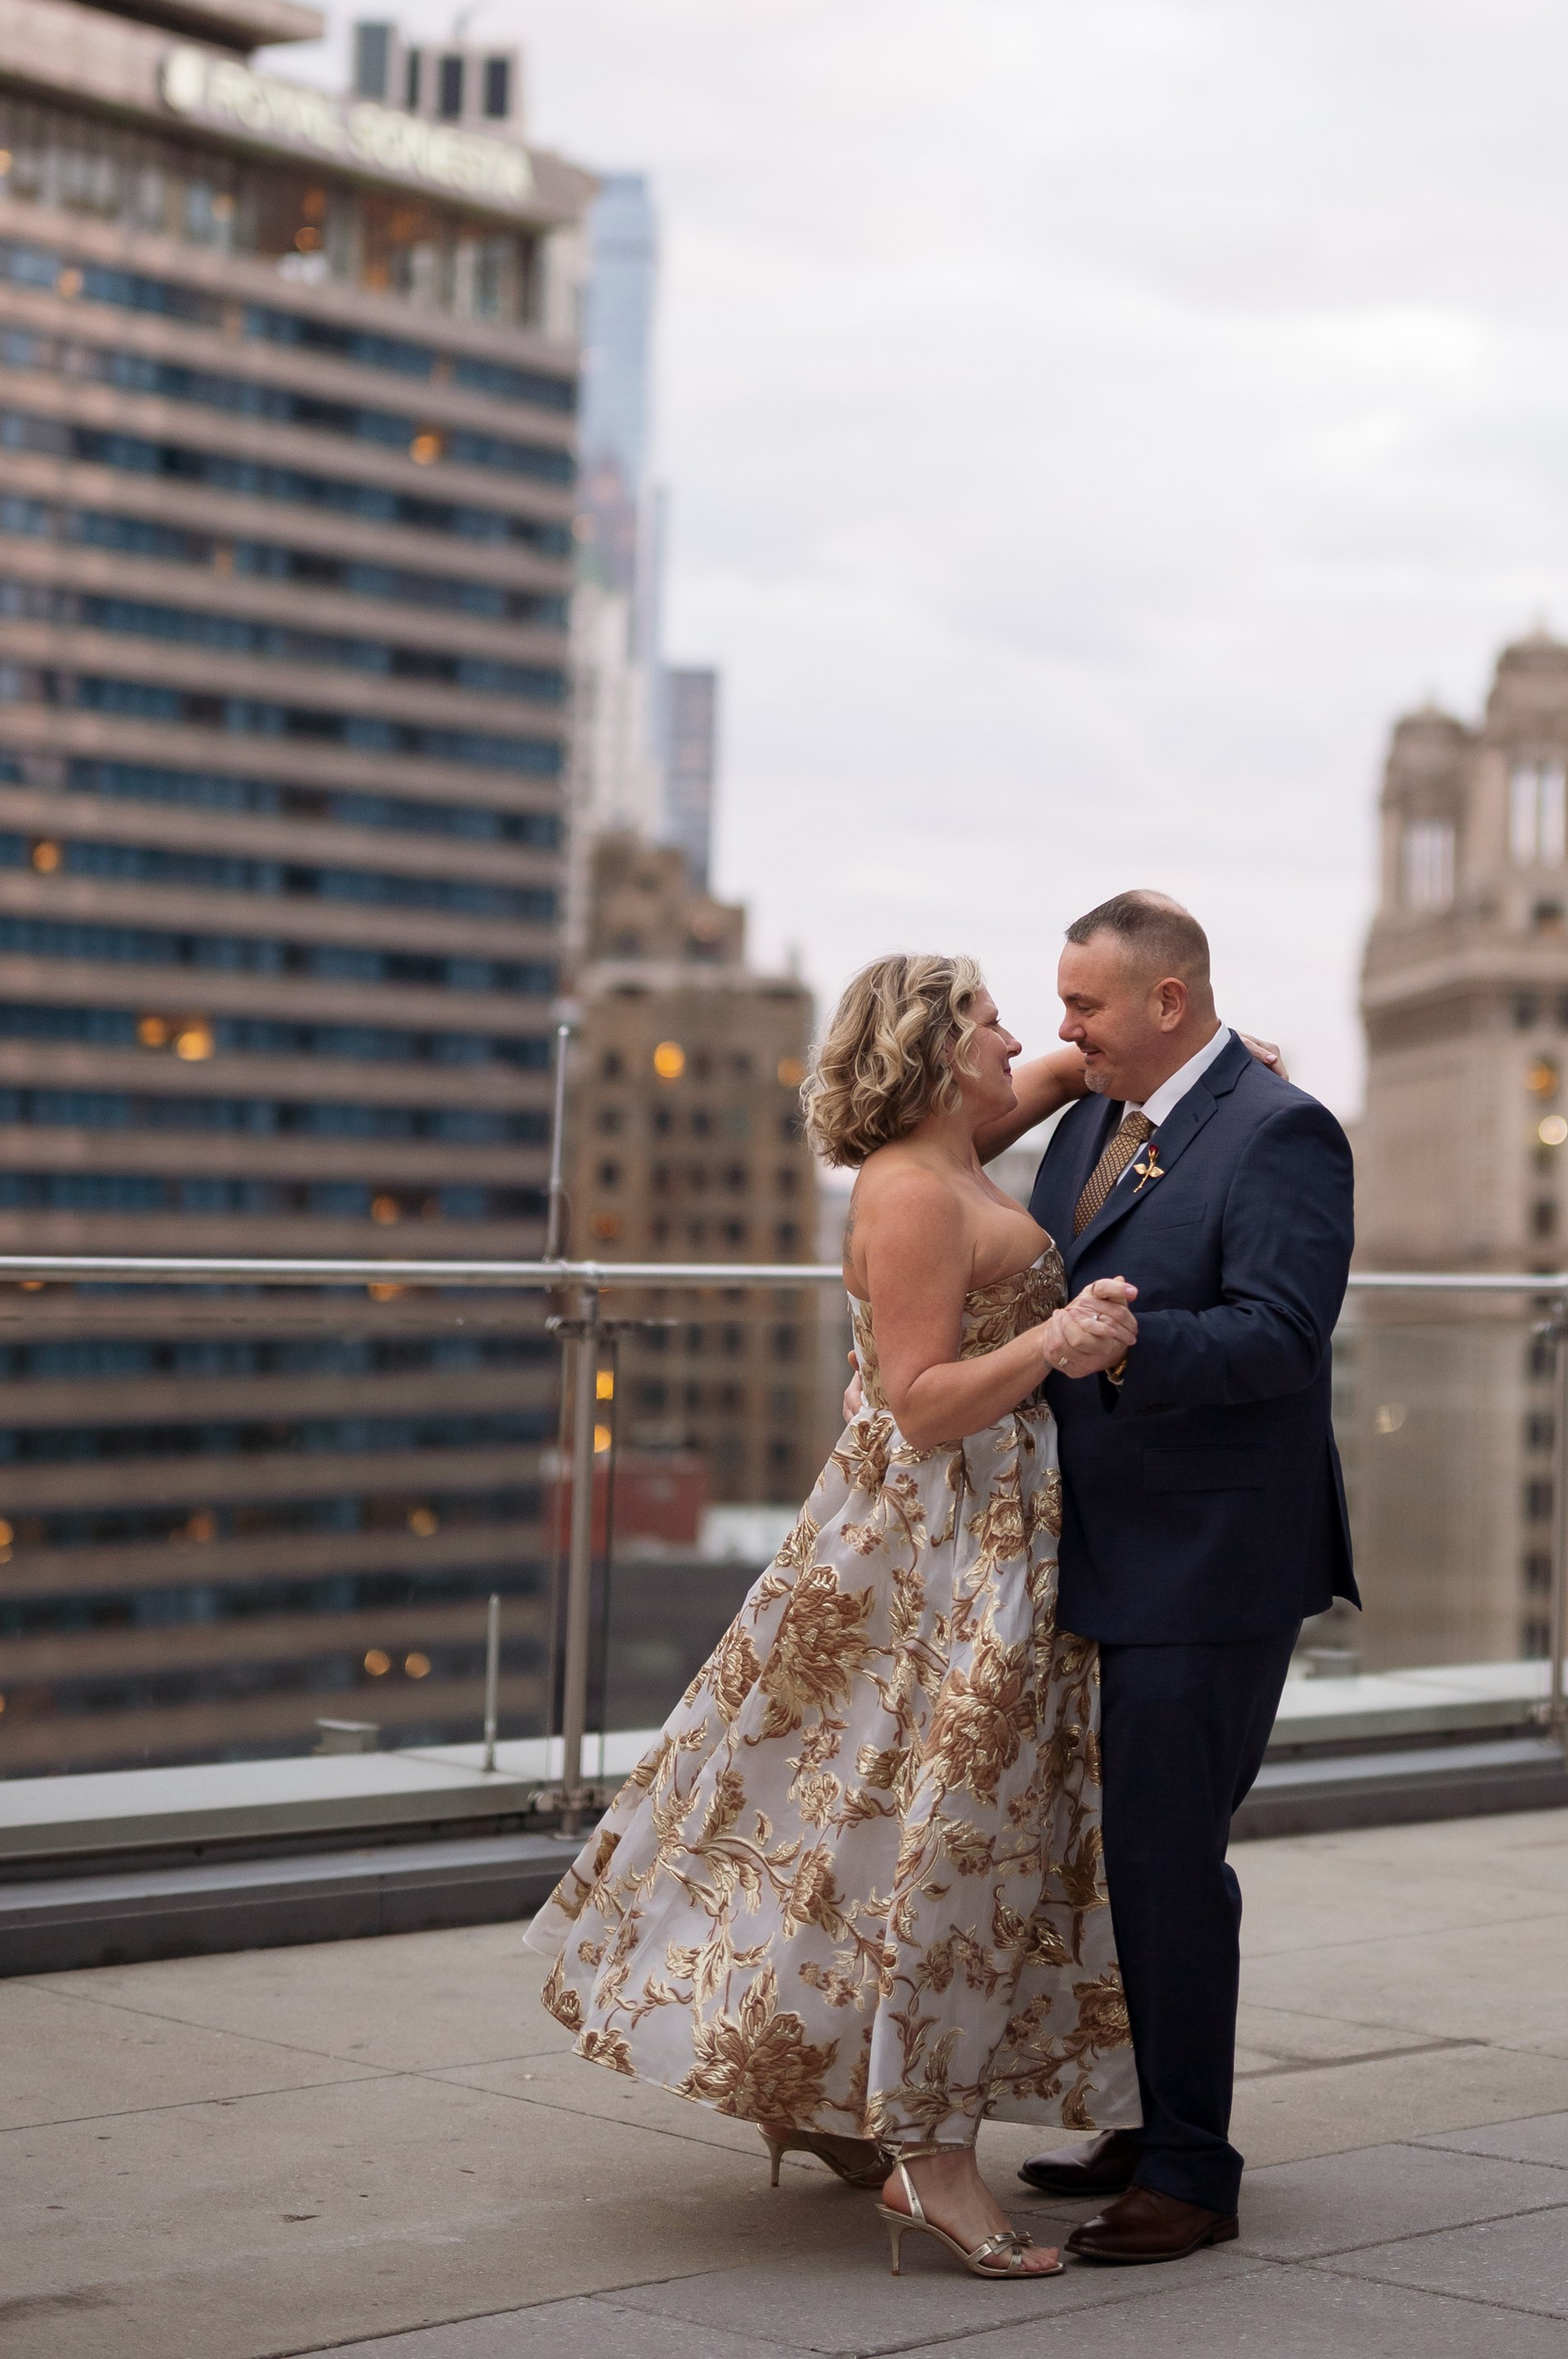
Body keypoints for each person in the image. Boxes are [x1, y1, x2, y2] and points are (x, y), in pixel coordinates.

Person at [527, 952, 1144, 2285]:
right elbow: (920, 1399)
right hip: (942, 1550)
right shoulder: (916, 1189)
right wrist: (1057, 1339)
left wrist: (1216, 1051)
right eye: (989, 1019)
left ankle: (832, 2094)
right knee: (943, 1838)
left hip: (980, 1529)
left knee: (873, 1826)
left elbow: (1066, 1068)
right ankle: (931, 2157)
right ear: (935, 1051)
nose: (1018, 1037)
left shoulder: (954, 1138)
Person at [1014, 889, 1357, 2265]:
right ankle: (1146, 2119)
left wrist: (1128, 1348)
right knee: (1119, 1858)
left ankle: (1193, 2172)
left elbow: (1281, 1336)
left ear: (1168, 1002)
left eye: (1084, 1004)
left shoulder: (1284, 1131)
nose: (1063, 1025)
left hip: (1213, 1560)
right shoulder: (1092, 1114)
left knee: (1169, 1861)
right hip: (1099, 1546)